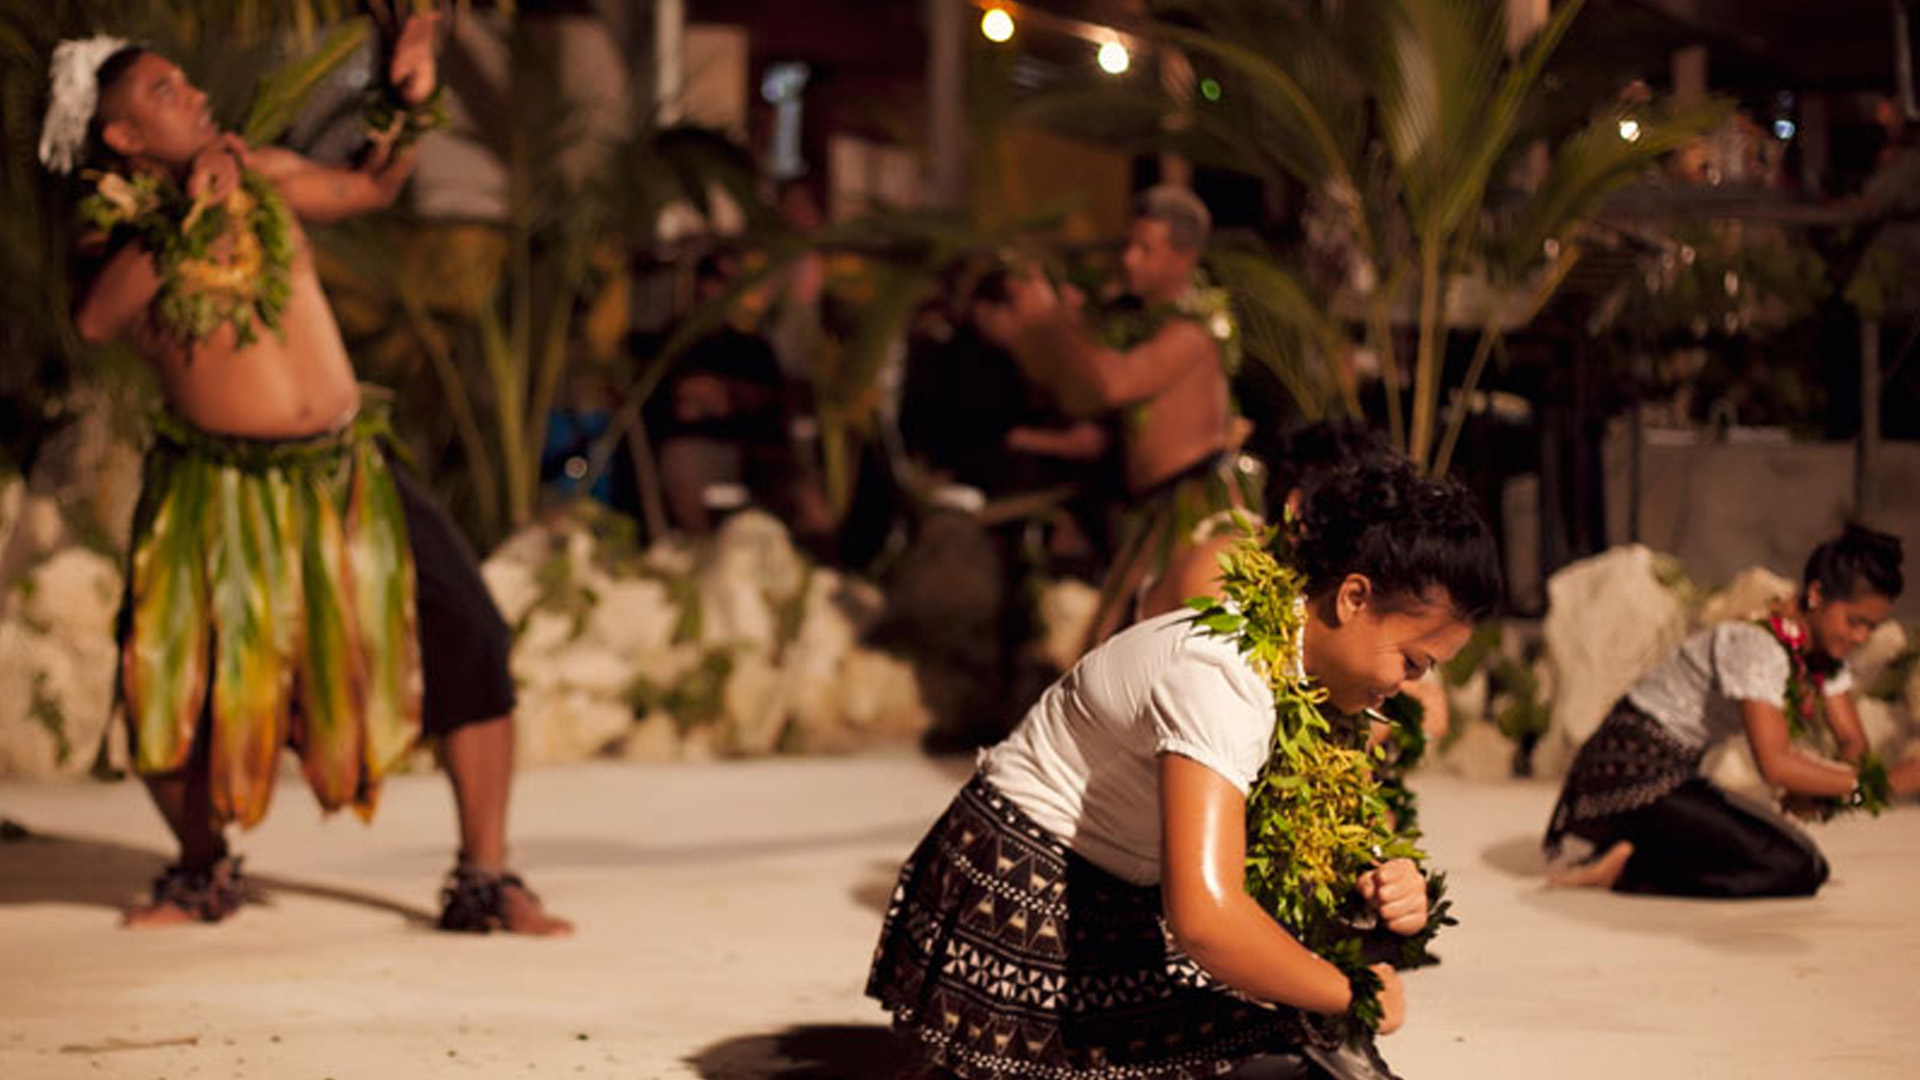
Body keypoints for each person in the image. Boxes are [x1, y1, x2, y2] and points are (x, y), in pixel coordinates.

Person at [46, 19, 568, 933]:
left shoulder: (261, 174)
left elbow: (369, 184)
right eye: (166, 94)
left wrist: (406, 103)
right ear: (122, 138)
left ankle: (485, 878)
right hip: (216, 489)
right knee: (163, 681)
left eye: (186, 84)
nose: (197, 97)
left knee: (471, 634)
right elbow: (95, 321)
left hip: (345, 470)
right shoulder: (115, 230)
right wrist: (184, 216)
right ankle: (202, 870)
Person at [867, 459, 1503, 1079]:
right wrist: (1351, 990)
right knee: (1292, 1043)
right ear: (1354, 596)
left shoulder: (1315, 676)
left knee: (1301, 1036)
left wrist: (1386, 885)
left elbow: (1304, 848)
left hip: (1127, 888)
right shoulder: (1222, 676)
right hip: (1025, 895)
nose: (1411, 685)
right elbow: (1207, 919)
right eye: (1412, 662)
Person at [1545, 524, 1920, 897]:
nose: (1860, 638)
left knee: (1808, 863)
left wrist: (1834, 793)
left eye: (1870, 627)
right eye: (1854, 622)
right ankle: (1627, 868)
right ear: (1818, 594)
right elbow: (1774, 763)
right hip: (1629, 775)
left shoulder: (1823, 659)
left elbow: (1852, 743)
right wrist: (1877, 785)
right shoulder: (1757, 644)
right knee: (1793, 866)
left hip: (1679, 778)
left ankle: (1633, 852)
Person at [1007, 185, 1252, 653]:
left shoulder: (1192, 331)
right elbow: (1081, 395)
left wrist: (1054, 319)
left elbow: (1114, 384)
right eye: (1128, 245)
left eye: (1146, 249)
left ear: (1185, 258)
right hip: (1153, 507)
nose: (1130, 259)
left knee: (1158, 643)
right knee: (1117, 643)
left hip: (1193, 508)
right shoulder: (1143, 325)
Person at [650, 247, 789, 534]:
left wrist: (724, 396)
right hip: (695, 448)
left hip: (754, 452)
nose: (724, 290)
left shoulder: (754, 347)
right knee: (683, 465)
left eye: (733, 283)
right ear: (701, 284)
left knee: (801, 493)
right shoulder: (678, 339)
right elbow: (682, 403)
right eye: (717, 280)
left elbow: (770, 404)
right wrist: (727, 397)